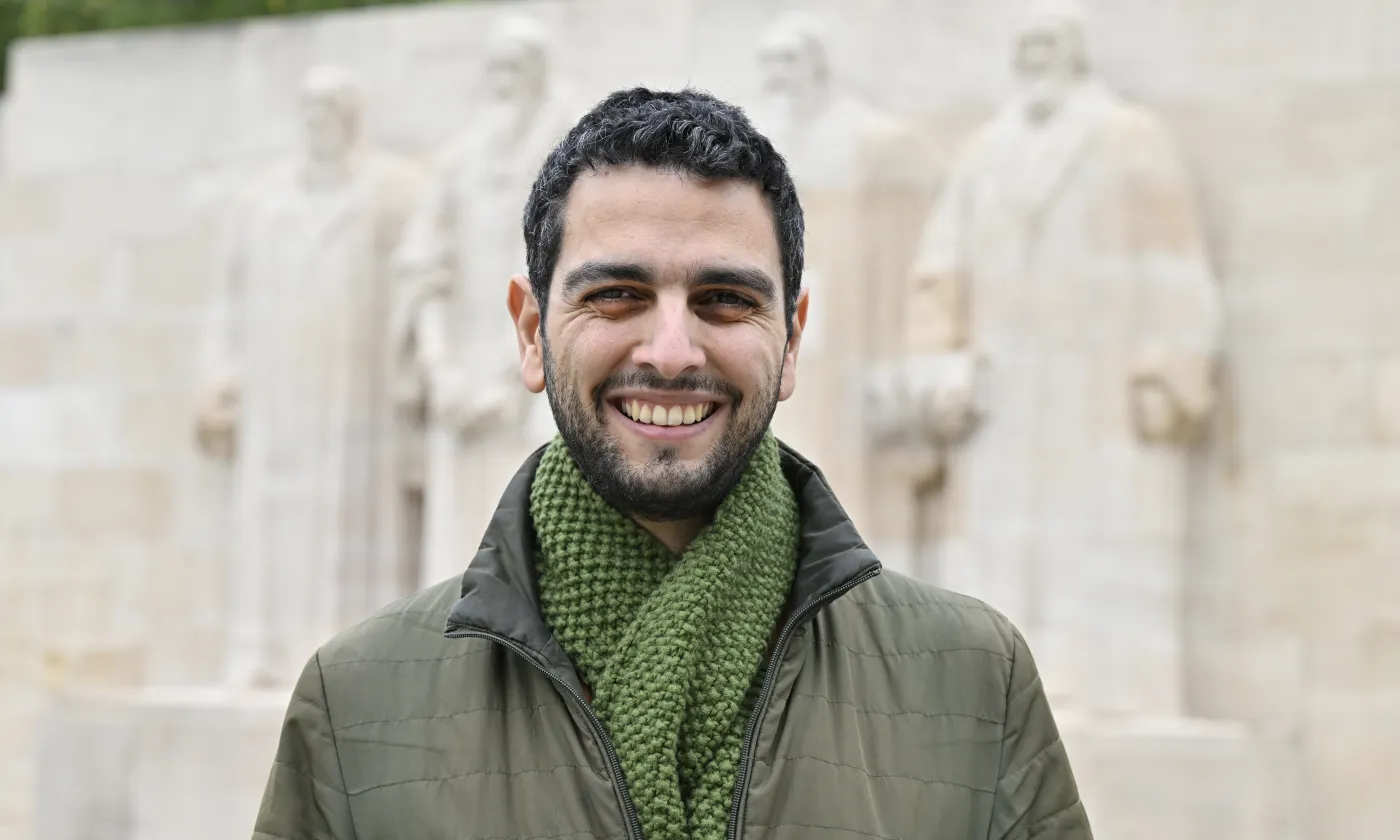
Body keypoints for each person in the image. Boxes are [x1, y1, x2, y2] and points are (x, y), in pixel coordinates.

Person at [252, 87, 1092, 840]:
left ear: (792, 338)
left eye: (724, 300)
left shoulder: (979, 681)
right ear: (529, 330)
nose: (670, 350)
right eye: (615, 295)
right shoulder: (354, 705)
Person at [197, 65, 426, 689]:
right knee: (269, 515)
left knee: (354, 518)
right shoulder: (263, 203)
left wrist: (418, 370)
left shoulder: (393, 194)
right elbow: (229, 299)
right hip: (278, 391)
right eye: (310, 109)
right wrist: (220, 374)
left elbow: (423, 283)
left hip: (357, 391)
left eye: (331, 109)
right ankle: (263, 652)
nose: (318, 121)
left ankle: (351, 654)